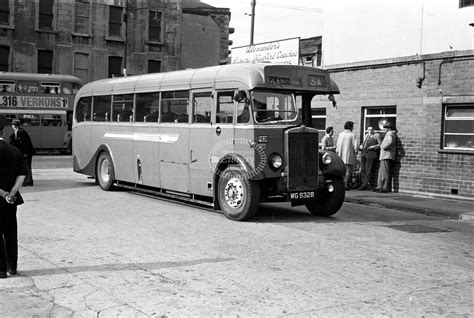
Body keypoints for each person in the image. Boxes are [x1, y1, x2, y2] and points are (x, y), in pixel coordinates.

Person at [0, 115, 28, 279]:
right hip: (11, 201)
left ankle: (1, 270)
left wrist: (2, 193)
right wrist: (11, 193)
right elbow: (22, 174)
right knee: (11, 233)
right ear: (3, 130)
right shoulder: (14, 150)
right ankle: (12, 267)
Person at [9, 119, 35, 186]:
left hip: (26, 153)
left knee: (27, 167)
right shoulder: (17, 132)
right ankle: (26, 181)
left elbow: (26, 144)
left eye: (12, 125)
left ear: (14, 126)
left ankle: (28, 182)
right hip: (23, 153)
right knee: (25, 167)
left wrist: (26, 153)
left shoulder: (21, 132)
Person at [374, 121, 397, 193]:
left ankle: (384, 187)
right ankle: (380, 186)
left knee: (384, 172)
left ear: (388, 128)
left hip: (386, 155)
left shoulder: (390, 134)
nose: (384, 129)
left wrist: (383, 146)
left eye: (385, 128)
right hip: (385, 155)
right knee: (382, 172)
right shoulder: (389, 133)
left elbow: (389, 142)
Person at [336, 121, 358, 190]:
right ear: (350, 127)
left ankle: (341, 184)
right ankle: (345, 185)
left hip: (340, 155)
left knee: (342, 171)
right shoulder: (353, 135)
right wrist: (356, 152)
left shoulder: (341, 134)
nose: (353, 128)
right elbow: (356, 147)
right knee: (348, 171)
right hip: (349, 155)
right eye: (352, 126)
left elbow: (338, 145)